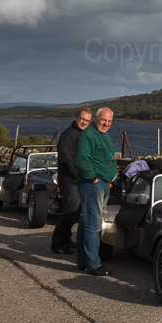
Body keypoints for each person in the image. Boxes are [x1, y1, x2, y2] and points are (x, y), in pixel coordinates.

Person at [75, 106, 117, 275]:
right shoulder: (87, 135)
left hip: (102, 183)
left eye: (109, 121)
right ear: (95, 119)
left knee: (86, 221)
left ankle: (83, 260)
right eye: (103, 120)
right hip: (93, 185)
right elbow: (82, 160)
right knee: (93, 225)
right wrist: (93, 178)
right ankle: (93, 264)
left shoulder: (103, 135)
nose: (106, 123)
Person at [50, 107, 92, 254]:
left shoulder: (82, 134)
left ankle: (66, 240)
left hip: (78, 180)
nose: (84, 122)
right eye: (82, 119)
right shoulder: (69, 135)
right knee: (70, 212)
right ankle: (57, 244)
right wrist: (83, 176)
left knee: (74, 212)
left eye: (87, 120)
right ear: (76, 118)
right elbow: (67, 160)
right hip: (70, 180)